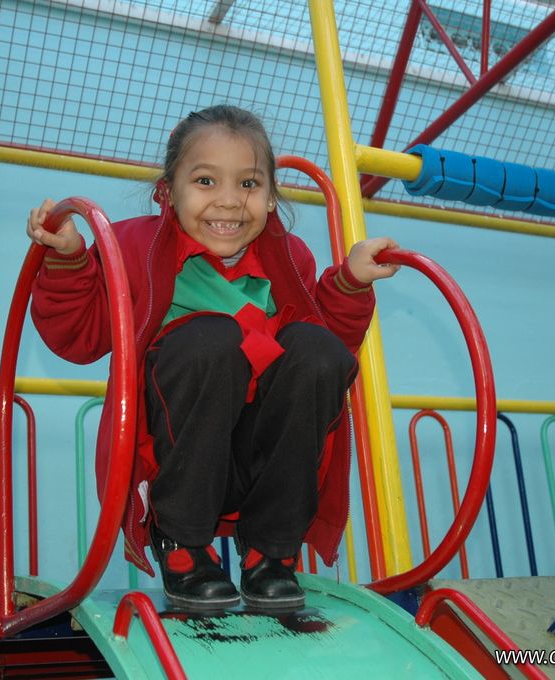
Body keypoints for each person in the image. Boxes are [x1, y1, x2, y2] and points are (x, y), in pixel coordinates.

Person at [27, 105, 399, 612]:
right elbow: (79, 335)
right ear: (168, 191)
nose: (228, 200)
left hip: (258, 460)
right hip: (176, 456)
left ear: (271, 197)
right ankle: (182, 542)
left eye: (249, 184)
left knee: (316, 349)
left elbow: (321, 361)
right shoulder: (134, 246)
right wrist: (69, 259)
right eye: (205, 181)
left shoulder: (289, 257)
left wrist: (349, 282)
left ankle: (271, 550)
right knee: (213, 338)